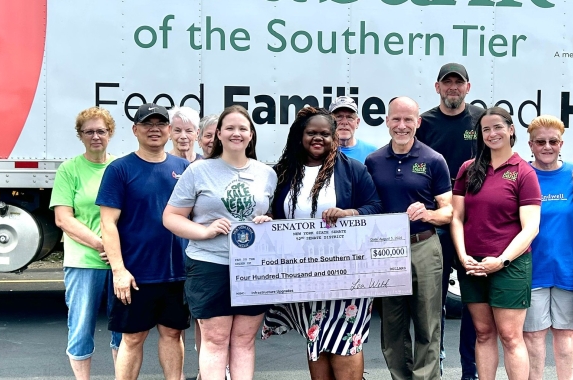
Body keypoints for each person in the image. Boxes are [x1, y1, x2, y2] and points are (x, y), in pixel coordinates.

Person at [262, 106, 382, 380]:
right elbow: (274, 212)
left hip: (348, 276)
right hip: (303, 275)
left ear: (334, 137)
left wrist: (351, 213)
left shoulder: (353, 170)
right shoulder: (285, 172)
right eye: (311, 133)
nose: (318, 138)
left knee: (344, 341)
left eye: (325, 134)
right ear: (300, 136)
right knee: (316, 338)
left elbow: (375, 207)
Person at [164, 105, 276, 380]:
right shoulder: (198, 171)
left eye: (242, 128)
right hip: (209, 263)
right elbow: (171, 217)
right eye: (230, 128)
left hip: (252, 267)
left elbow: (266, 213)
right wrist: (204, 231)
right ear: (218, 135)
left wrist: (267, 223)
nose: (236, 133)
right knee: (214, 340)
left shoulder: (267, 174)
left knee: (244, 340)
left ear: (251, 135)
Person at [97, 103, 190, 380]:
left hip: (177, 272)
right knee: (133, 338)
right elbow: (108, 224)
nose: (154, 129)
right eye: (147, 124)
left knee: (173, 333)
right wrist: (119, 271)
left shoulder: (185, 168)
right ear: (135, 130)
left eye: (160, 124)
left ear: (170, 131)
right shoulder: (119, 169)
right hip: (135, 274)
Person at [365, 97, 453, 380]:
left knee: (427, 322)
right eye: (396, 119)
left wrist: (428, 213)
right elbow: (369, 205)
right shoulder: (374, 161)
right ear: (387, 121)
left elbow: (449, 211)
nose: (401, 126)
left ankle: (426, 377)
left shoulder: (433, 159)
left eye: (408, 120)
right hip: (387, 250)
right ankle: (400, 377)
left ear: (418, 122)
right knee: (392, 324)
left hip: (423, 246)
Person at [451, 106, 541, 380]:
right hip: (473, 265)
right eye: (486, 129)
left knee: (511, 336)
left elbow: (531, 228)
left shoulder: (524, 173)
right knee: (483, 333)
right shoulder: (468, 169)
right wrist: (464, 256)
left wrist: (501, 261)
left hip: (509, 265)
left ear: (511, 130)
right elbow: (456, 218)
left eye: (498, 127)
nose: (492, 133)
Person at [416, 62, 484, 380]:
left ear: (468, 88)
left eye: (459, 83)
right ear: (438, 87)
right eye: (447, 83)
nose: (453, 87)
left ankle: (469, 369)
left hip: (473, 227)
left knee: (473, 303)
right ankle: (437, 364)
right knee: (434, 302)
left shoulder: (480, 121)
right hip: (438, 225)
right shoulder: (425, 123)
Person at [50, 107, 123, 380]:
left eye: (101, 131)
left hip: (118, 264)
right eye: (89, 131)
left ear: (110, 133)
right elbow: (63, 219)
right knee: (80, 329)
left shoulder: (121, 167)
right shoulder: (69, 170)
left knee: (122, 329)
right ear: (80, 135)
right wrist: (100, 244)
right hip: (83, 263)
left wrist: (116, 250)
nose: (95, 136)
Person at [522, 116, 573, 380]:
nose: (547, 147)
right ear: (531, 145)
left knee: (567, 333)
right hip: (530, 268)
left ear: (561, 144)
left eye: (553, 141)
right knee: (533, 335)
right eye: (540, 142)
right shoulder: (522, 174)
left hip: (568, 268)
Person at [329, 96, 378, 162]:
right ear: (329, 122)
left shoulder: (372, 153)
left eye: (349, 117)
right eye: (339, 117)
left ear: (357, 122)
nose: (344, 122)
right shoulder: (322, 152)